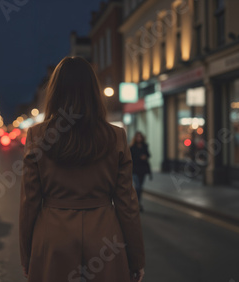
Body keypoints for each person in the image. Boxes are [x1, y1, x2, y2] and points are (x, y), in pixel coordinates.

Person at [19, 57, 145, 282]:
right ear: (94, 91)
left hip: (53, 238)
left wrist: (27, 256)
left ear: (55, 92)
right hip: (105, 239)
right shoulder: (116, 136)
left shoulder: (37, 136)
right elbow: (127, 203)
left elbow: (29, 203)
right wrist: (136, 259)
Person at [130, 132, 151, 212]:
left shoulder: (144, 146)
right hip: (135, 169)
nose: (139, 138)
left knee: (140, 187)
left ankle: (138, 203)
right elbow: (131, 158)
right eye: (137, 137)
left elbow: (148, 155)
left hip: (143, 169)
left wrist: (145, 156)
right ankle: (136, 203)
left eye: (140, 137)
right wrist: (139, 157)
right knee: (138, 186)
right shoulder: (132, 147)